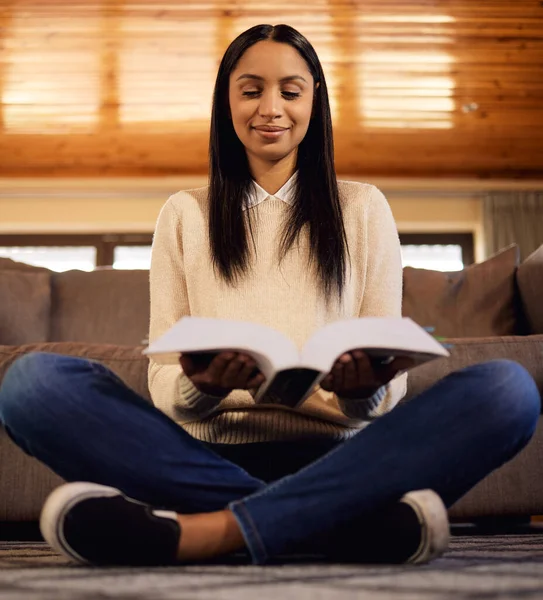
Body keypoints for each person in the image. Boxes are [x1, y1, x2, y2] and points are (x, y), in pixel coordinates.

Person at [0, 24, 540, 568]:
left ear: (314, 100)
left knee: (506, 390)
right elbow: (164, 380)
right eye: (252, 89)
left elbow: (387, 383)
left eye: (290, 90)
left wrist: (363, 390)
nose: (271, 108)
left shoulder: (363, 208)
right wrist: (200, 386)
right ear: (227, 102)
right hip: (204, 454)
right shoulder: (184, 213)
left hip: (343, 454)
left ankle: (205, 532)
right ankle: (344, 526)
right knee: (32, 384)